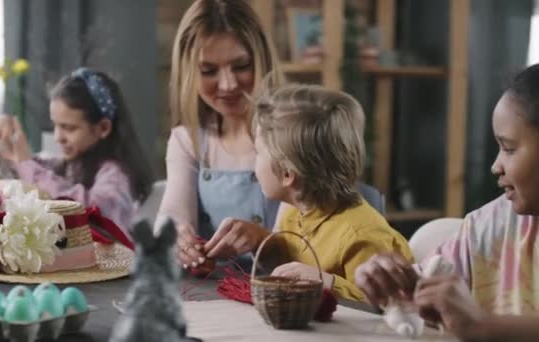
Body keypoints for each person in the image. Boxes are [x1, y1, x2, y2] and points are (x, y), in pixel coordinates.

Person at [355, 64, 539, 341]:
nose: (496, 166)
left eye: (509, 149)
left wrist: (483, 326)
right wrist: (391, 284)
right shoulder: (488, 226)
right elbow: (425, 288)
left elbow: (475, 323)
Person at [205, 83, 412, 301]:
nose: (254, 164)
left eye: (258, 152)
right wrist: (259, 242)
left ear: (287, 174)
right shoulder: (293, 211)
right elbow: (287, 264)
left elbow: (383, 304)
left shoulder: (362, 235)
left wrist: (327, 283)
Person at [156, 0, 283, 269]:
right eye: (209, 71)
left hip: (284, 292)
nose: (228, 84)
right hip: (211, 295)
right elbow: (173, 213)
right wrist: (177, 237)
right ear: (189, 72)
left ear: (261, 60)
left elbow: (307, 245)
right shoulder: (186, 139)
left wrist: (261, 240)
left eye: (240, 66)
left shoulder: (291, 134)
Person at [0, 67, 154, 234]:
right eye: (56, 125)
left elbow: (89, 211)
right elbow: (14, 172)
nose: (58, 137)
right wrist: (3, 131)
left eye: (69, 128)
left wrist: (26, 164)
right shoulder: (70, 165)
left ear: (103, 128)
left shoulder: (117, 175)